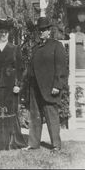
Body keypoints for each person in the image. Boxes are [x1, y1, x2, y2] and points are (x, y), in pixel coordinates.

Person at [23, 17, 68, 153]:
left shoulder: (56, 46)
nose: (42, 32)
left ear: (49, 31)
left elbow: (62, 68)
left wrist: (57, 85)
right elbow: (30, 68)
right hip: (35, 88)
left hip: (50, 89)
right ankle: (33, 143)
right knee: (35, 117)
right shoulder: (35, 47)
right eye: (40, 30)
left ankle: (56, 145)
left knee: (52, 117)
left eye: (45, 30)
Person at [0, 16, 27, 151]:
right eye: (1, 32)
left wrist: (17, 84)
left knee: (10, 113)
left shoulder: (15, 48)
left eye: (5, 32)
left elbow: (20, 68)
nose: (3, 34)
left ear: (9, 34)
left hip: (10, 87)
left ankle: (12, 142)